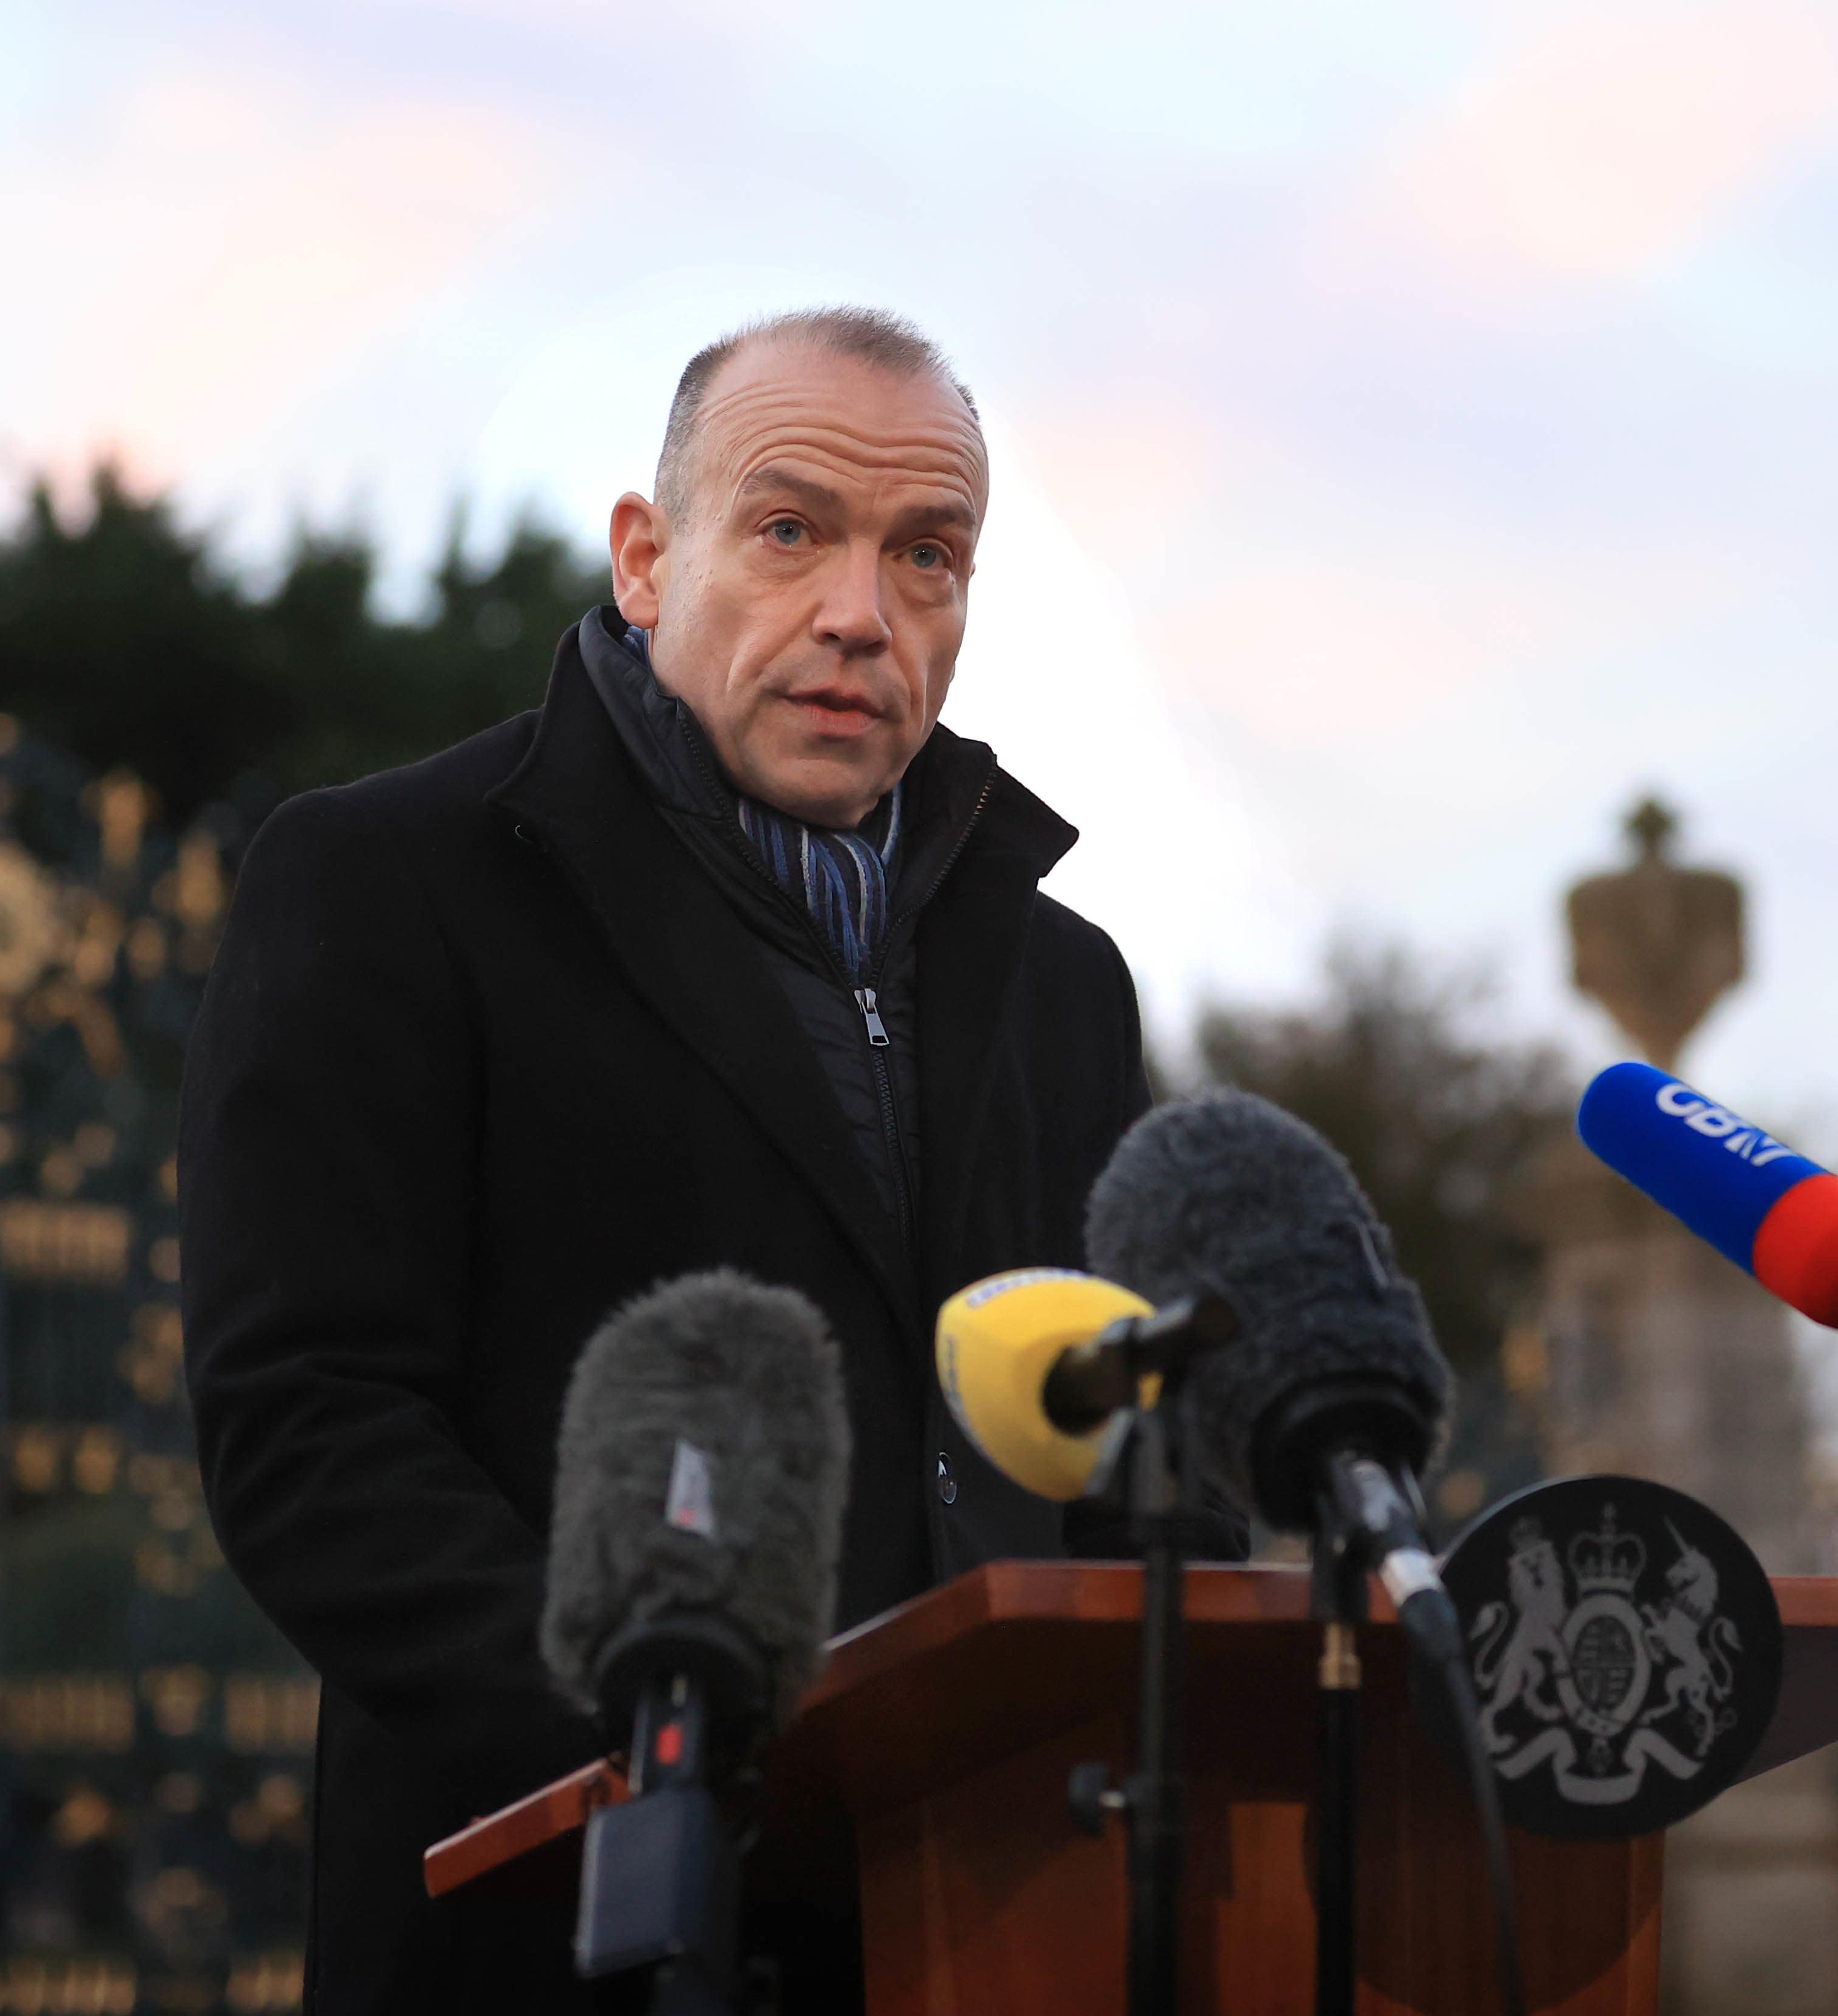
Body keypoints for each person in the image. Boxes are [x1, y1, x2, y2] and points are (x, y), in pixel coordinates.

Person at [183, 309, 1208, 2013]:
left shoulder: (1064, 984)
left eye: (927, 554)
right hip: (558, 1925)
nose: (860, 612)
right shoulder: (386, 884)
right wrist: (685, 1731)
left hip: (1005, 1924)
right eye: (793, 528)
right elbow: (311, 1418)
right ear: (649, 561)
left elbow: (1122, 1447)